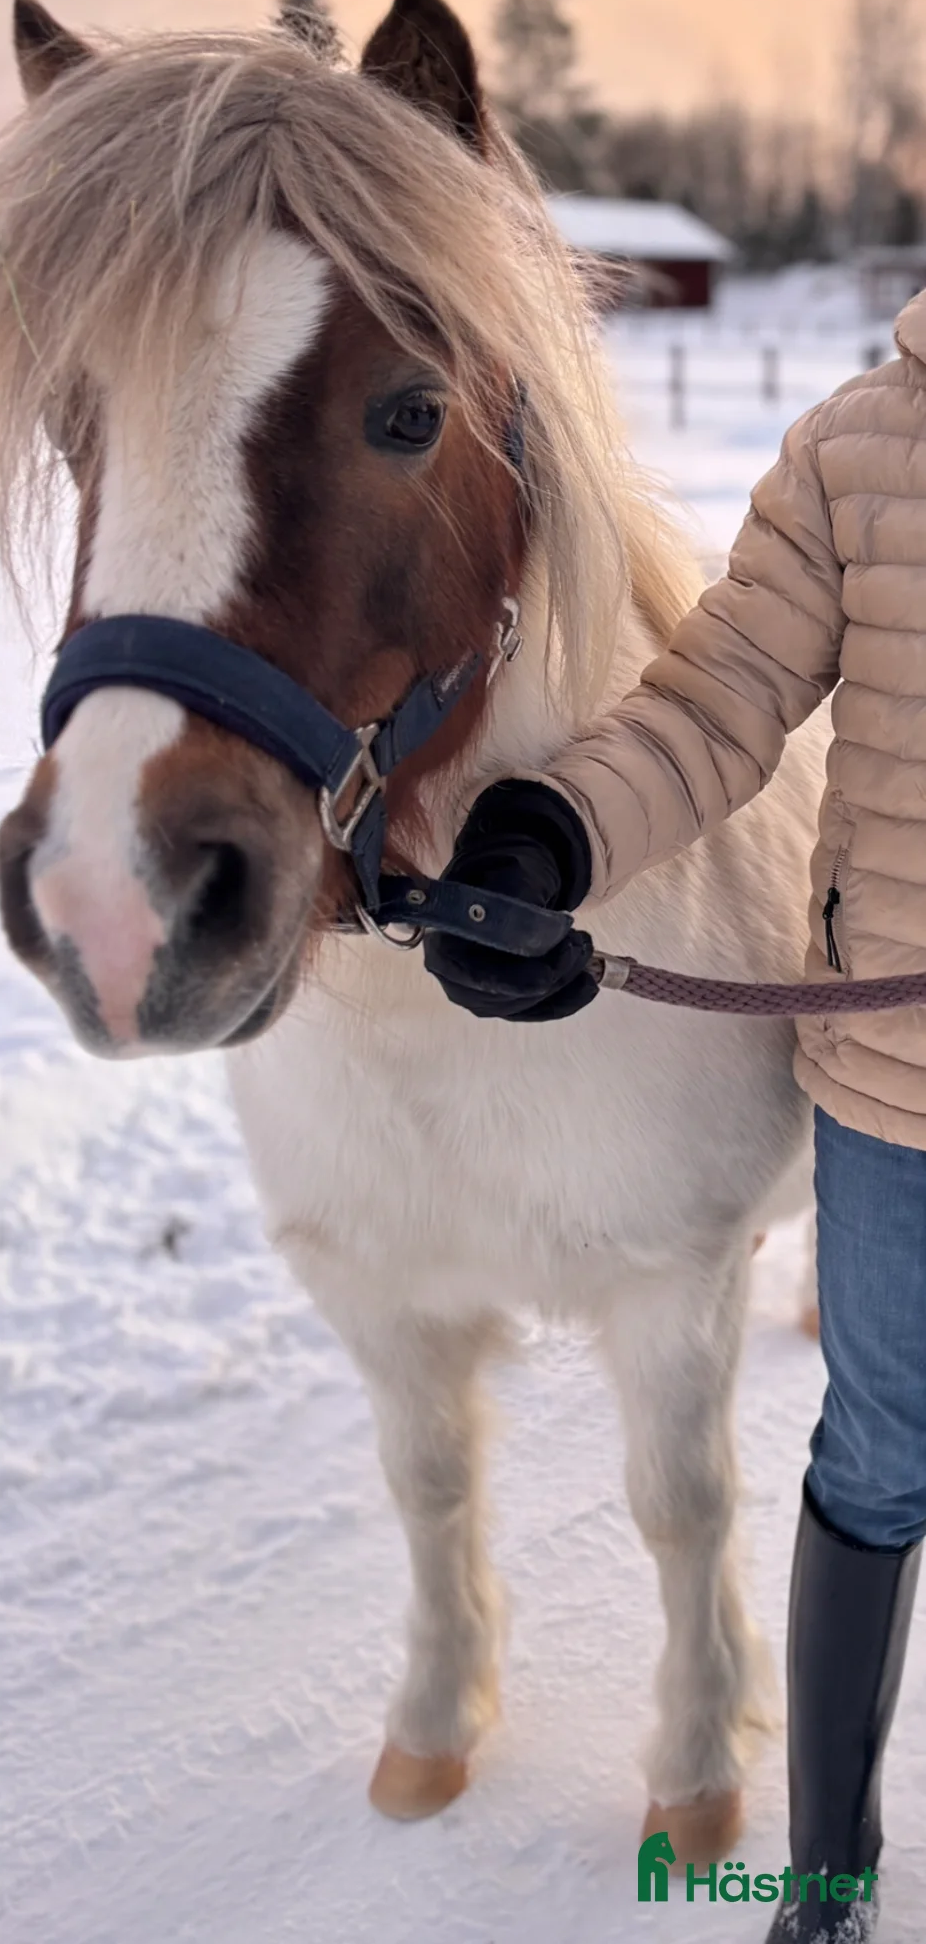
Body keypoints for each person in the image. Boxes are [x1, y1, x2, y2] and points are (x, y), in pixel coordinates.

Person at [424, 291, 926, 1941]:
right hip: (898, 1094)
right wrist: (551, 839)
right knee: (883, 1453)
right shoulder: (859, 454)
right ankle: (828, 1881)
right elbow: (714, 709)